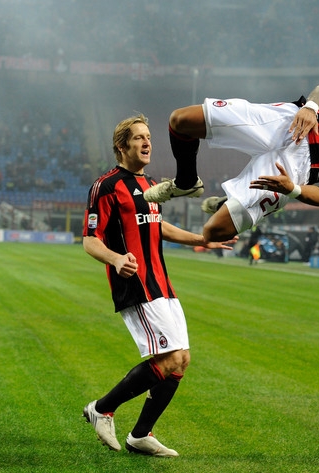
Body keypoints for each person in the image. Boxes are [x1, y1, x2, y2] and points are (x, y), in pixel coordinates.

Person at [82, 114, 236, 457]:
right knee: (170, 358)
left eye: (149, 137)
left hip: (162, 284)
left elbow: (158, 226)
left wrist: (202, 239)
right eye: (139, 137)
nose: (147, 142)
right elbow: (90, 239)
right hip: (136, 283)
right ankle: (102, 409)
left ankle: (140, 436)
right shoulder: (106, 186)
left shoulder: (150, 185)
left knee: (181, 360)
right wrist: (116, 259)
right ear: (122, 146)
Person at [143, 84, 319, 243]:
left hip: (298, 168)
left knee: (213, 231)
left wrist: (292, 189)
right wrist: (311, 107)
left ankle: (231, 202)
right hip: (290, 120)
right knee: (181, 120)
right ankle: (187, 181)